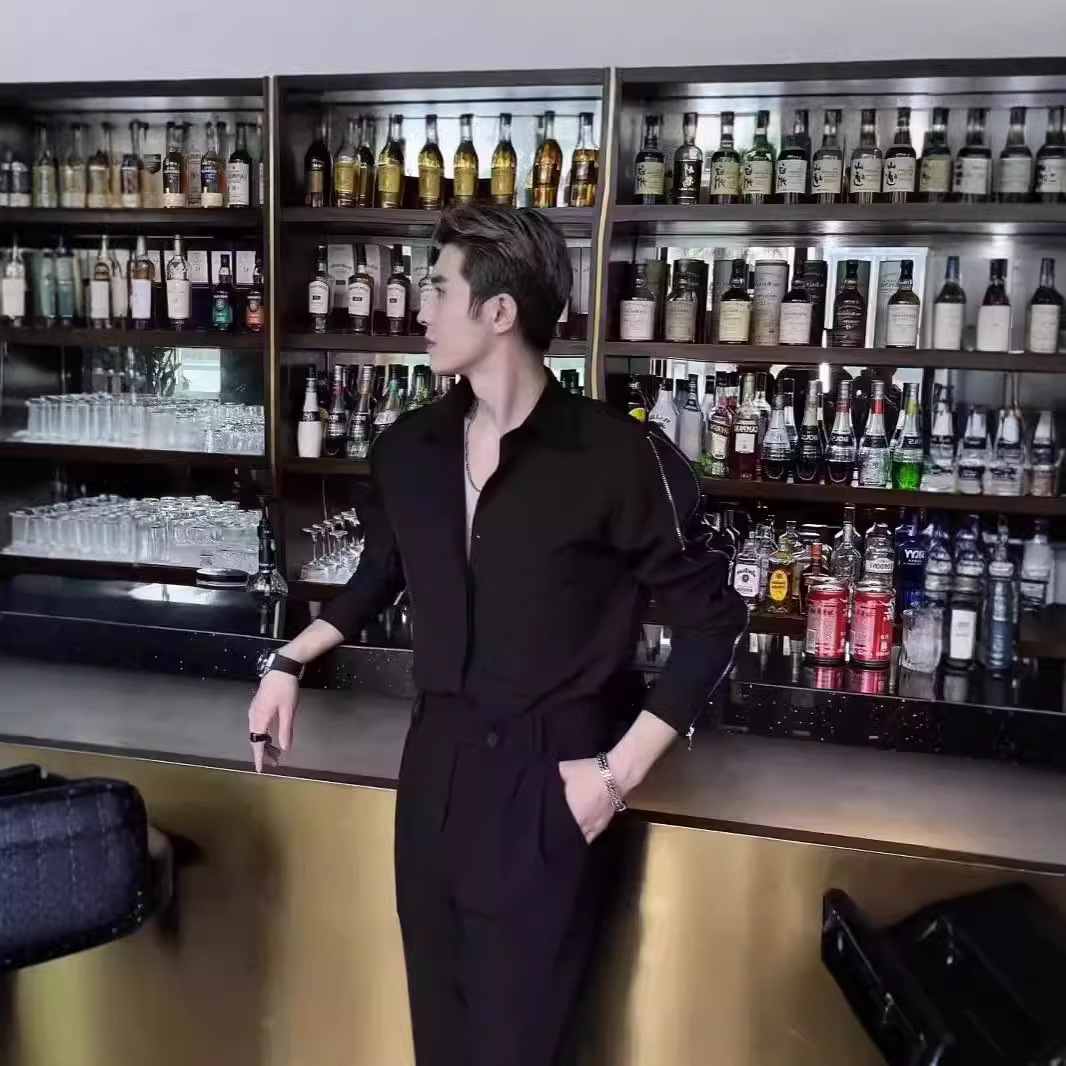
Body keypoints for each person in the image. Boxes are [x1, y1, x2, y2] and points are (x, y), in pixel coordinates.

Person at [247, 204, 747, 1066]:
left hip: (548, 784)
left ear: (501, 310)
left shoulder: (616, 458)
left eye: (439, 289)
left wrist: (613, 779)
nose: (421, 309)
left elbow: (714, 622)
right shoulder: (408, 450)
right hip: (433, 776)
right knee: (439, 1045)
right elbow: (380, 573)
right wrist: (289, 660)